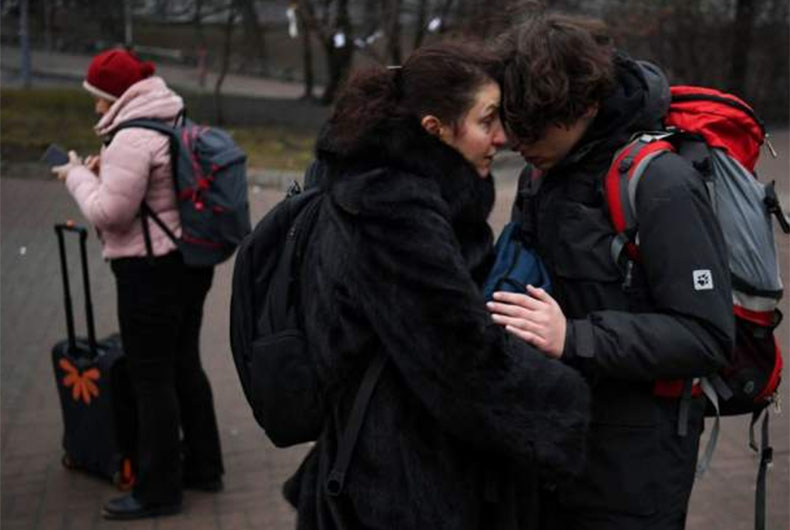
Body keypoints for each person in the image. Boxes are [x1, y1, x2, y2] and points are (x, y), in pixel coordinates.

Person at [283, 41, 591, 529]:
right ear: (436, 130)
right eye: (487, 121)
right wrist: (563, 402)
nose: (503, 137)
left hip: (389, 452)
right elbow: (457, 352)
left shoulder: (382, 179)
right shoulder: (393, 207)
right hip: (401, 479)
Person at [488, 14, 735, 530]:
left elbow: (706, 336)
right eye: (514, 123)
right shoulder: (544, 173)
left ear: (586, 105)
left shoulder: (660, 182)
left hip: (633, 467)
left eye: (534, 125)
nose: (517, 140)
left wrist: (574, 338)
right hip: (555, 449)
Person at [52, 48, 224, 520]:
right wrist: (102, 173)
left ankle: (158, 490)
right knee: (184, 362)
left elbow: (110, 213)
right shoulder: (170, 113)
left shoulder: (130, 137)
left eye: (99, 99)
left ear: (116, 96)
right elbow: (157, 187)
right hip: (190, 261)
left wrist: (74, 178)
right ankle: (206, 466)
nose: (95, 109)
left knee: (153, 379)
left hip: (149, 272)